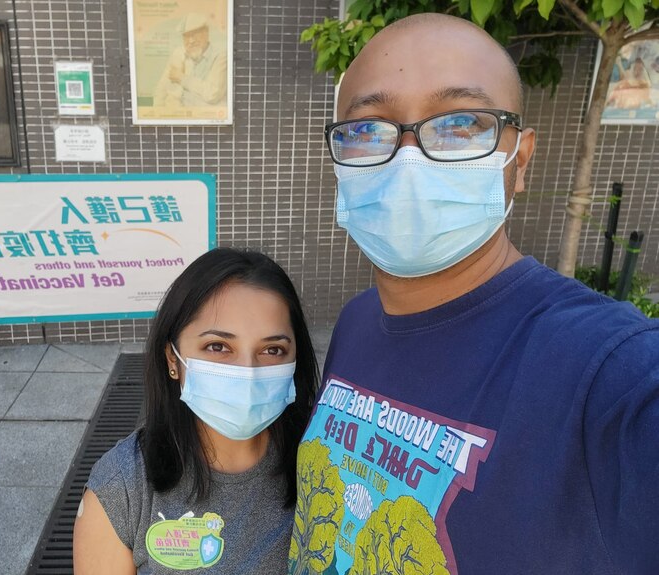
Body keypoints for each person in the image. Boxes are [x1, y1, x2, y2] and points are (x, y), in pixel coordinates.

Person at [288, 13, 659, 575]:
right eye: (368, 129)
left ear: (521, 159)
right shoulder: (358, 321)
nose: (408, 156)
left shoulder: (610, 371)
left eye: (459, 124)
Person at [73, 247, 319, 574]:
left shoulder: (322, 464)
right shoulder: (123, 486)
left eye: (272, 350)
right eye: (218, 347)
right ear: (173, 359)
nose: (247, 372)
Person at [153, 13, 228, 108]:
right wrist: (157, 113)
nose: (191, 41)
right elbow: (162, 88)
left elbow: (213, 94)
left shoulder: (221, 56)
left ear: (206, 33)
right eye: (186, 36)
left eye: (195, 34)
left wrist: (182, 78)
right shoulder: (179, 53)